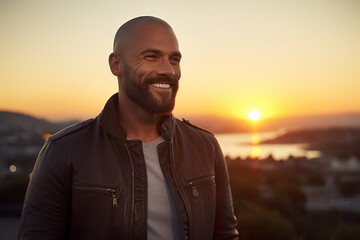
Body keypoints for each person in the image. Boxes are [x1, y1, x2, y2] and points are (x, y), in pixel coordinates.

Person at [19, 16, 239, 239]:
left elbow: (226, 234)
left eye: (174, 59)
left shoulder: (205, 146)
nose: (170, 71)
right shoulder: (63, 151)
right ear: (116, 65)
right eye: (152, 57)